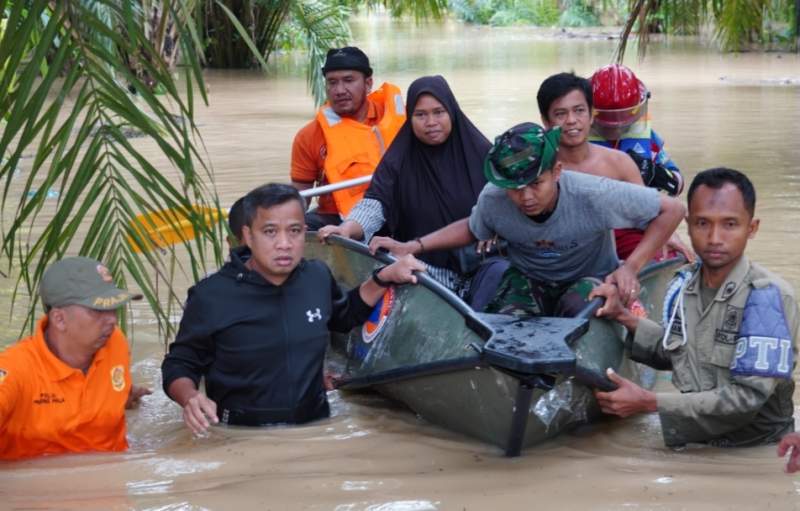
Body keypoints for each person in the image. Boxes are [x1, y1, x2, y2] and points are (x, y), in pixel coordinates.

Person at [161, 183, 425, 434]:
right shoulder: (211, 296)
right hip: (240, 437)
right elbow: (179, 364)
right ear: (247, 236)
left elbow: (345, 317)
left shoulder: (317, 277)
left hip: (316, 430)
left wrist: (385, 275)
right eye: (270, 232)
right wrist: (191, 398)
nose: (284, 243)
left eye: (295, 231)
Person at [370, 122, 684, 318]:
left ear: (557, 172)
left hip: (589, 278)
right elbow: (471, 227)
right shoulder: (494, 198)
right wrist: (411, 245)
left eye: (536, 184)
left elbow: (672, 210)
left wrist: (631, 267)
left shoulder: (594, 194)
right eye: (515, 189)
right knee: (497, 322)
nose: (526, 197)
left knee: (582, 309)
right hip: (529, 279)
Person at [591, 168, 797, 448]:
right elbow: (678, 354)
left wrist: (650, 402)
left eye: (730, 224)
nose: (714, 238)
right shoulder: (685, 285)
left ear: (752, 228)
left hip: (755, 449)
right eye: (702, 223)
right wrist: (623, 316)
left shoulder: (767, 297)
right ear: (687, 226)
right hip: (697, 441)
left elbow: (747, 398)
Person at [318, 75, 492, 296]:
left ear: (452, 112)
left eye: (438, 112)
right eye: (420, 115)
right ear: (410, 118)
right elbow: (375, 204)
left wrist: (495, 225)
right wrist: (347, 228)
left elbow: (508, 201)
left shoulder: (482, 153)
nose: (431, 122)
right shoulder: (398, 160)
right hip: (419, 270)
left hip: (481, 268)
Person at [0, 257, 150, 460]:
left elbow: (98, 393)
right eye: (98, 310)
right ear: (59, 319)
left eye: (113, 308)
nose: (113, 319)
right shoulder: (14, 371)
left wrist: (125, 395)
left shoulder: (116, 343)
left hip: (112, 483)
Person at [537, 72, 691, 262]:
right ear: (546, 121)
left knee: (667, 254)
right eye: (561, 114)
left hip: (619, 236)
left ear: (590, 114)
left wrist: (667, 236)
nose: (571, 120)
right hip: (561, 245)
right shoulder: (538, 164)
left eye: (579, 111)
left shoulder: (621, 161)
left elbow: (653, 212)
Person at [291, 47, 406, 231]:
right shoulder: (308, 136)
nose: (339, 90)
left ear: (368, 84)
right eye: (332, 82)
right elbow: (300, 196)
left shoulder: (405, 121)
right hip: (337, 219)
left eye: (348, 80)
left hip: (401, 212)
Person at [589, 64, 683, 197]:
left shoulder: (647, 137)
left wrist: (657, 174)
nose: (616, 128)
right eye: (609, 124)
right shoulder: (576, 139)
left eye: (623, 122)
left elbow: (678, 184)